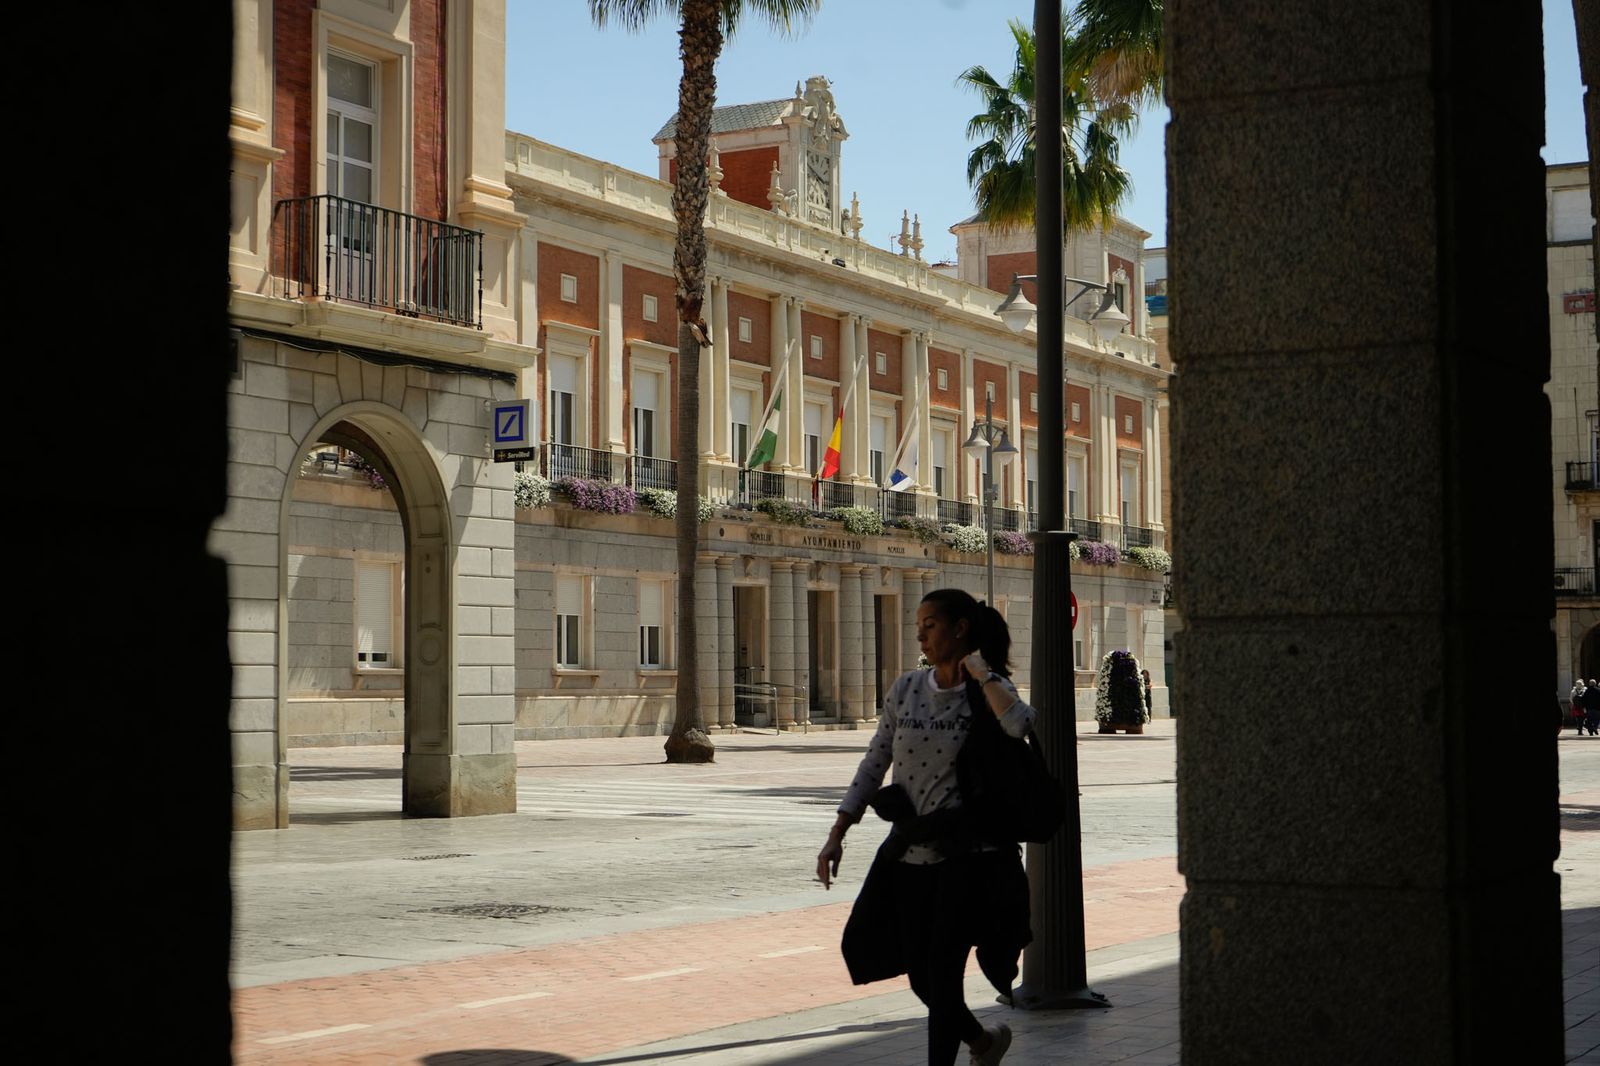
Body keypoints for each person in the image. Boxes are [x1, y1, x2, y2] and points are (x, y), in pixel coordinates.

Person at [816, 588, 1034, 1066]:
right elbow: (874, 762)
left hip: (965, 859)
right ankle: (982, 1042)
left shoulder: (987, 690)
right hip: (911, 854)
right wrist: (838, 832)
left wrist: (980, 672)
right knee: (921, 977)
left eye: (930, 624)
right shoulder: (907, 688)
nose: (920, 634)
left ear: (959, 629)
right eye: (918, 625)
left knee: (941, 972)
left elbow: (1020, 726)